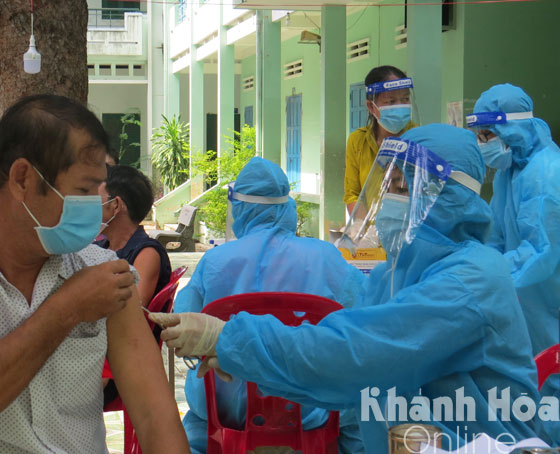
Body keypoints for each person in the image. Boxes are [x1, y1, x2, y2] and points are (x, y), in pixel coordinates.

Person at [152, 125, 559, 451]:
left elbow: (356, 353)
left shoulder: (471, 280)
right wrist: (247, 355)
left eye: (402, 189)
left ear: (447, 197)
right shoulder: (394, 273)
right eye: (390, 188)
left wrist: (229, 339)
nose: (391, 203)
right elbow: (347, 350)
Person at [0, 94, 188, 454]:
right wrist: (68, 308)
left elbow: (155, 416)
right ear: (23, 178)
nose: (94, 206)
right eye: (84, 190)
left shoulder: (101, 272)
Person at [170, 156, 367, 454]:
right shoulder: (327, 259)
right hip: (312, 408)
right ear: (287, 207)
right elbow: (365, 320)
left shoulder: (214, 262)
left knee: (197, 424)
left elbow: (183, 324)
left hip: (225, 410)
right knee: (359, 415)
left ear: (238, 208)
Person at [468, 83, 560, 397]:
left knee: (552, 385)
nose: (483, 145)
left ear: (512, 129)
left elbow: (541, 252)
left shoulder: (545, 173)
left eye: (488, 135)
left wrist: (488, 275)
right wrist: (478, 262)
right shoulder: (511, 171)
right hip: (529, 301)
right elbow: (498, 236)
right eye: (479, 136)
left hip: (549, 301)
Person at [95, 165, 171, 306]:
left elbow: (134, 307)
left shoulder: (146, 254)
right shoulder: (101, 247)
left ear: (115, 205)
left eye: (93, 200)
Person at [344, 65, 416, 215]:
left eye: (405, 99)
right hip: (370, 232)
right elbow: (353, 194)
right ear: (371, 106)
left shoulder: (418, 137)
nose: (400, 106)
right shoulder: (357, 141)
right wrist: (361, 230)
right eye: (391, 101)